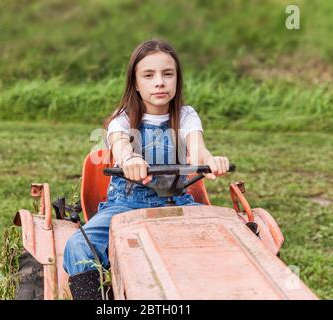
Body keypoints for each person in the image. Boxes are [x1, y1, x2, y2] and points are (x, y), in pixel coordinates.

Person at [63, 39, 230, 300]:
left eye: (167, 74)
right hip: (126, 205)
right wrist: (129, 160)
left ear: (177, 79)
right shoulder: (123, 120)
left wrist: (212, 160)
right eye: (149, 75)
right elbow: (121, 147)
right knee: (78, 245)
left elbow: (198, 149)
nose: (159, 82)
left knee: (231, 232)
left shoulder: (186, 116)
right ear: (136, 84)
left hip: (176, 204)